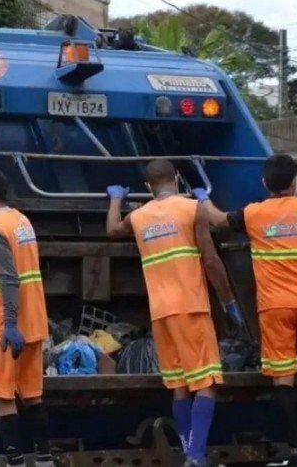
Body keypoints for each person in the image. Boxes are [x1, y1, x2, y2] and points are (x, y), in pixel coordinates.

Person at [195, 154, 297, 467]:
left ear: (265, 183)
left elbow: (218, 219)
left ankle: (295, 453)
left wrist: (202, 198)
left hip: (274, 307)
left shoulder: (253, 214)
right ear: (295, 182)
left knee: (283, 379)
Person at [106, 159, 245, 467]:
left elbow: (113, 229)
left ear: (147, 187)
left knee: (180, 386)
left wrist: (116, 198)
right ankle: (195, 457)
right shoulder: (191, 208)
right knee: (206, 382)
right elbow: (210, 261)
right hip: (191, 308)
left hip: (161, 314)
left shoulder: (139, 217)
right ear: (178, 179)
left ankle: (189, 452)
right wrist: (228, 303)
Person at [0, 167, 53, 467]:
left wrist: (9, 323)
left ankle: (16, 462)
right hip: (34, 323)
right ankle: (44, 460)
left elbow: (7, 277)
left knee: (4, 397)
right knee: (32, 395)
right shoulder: (21, 221)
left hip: (5, 326)